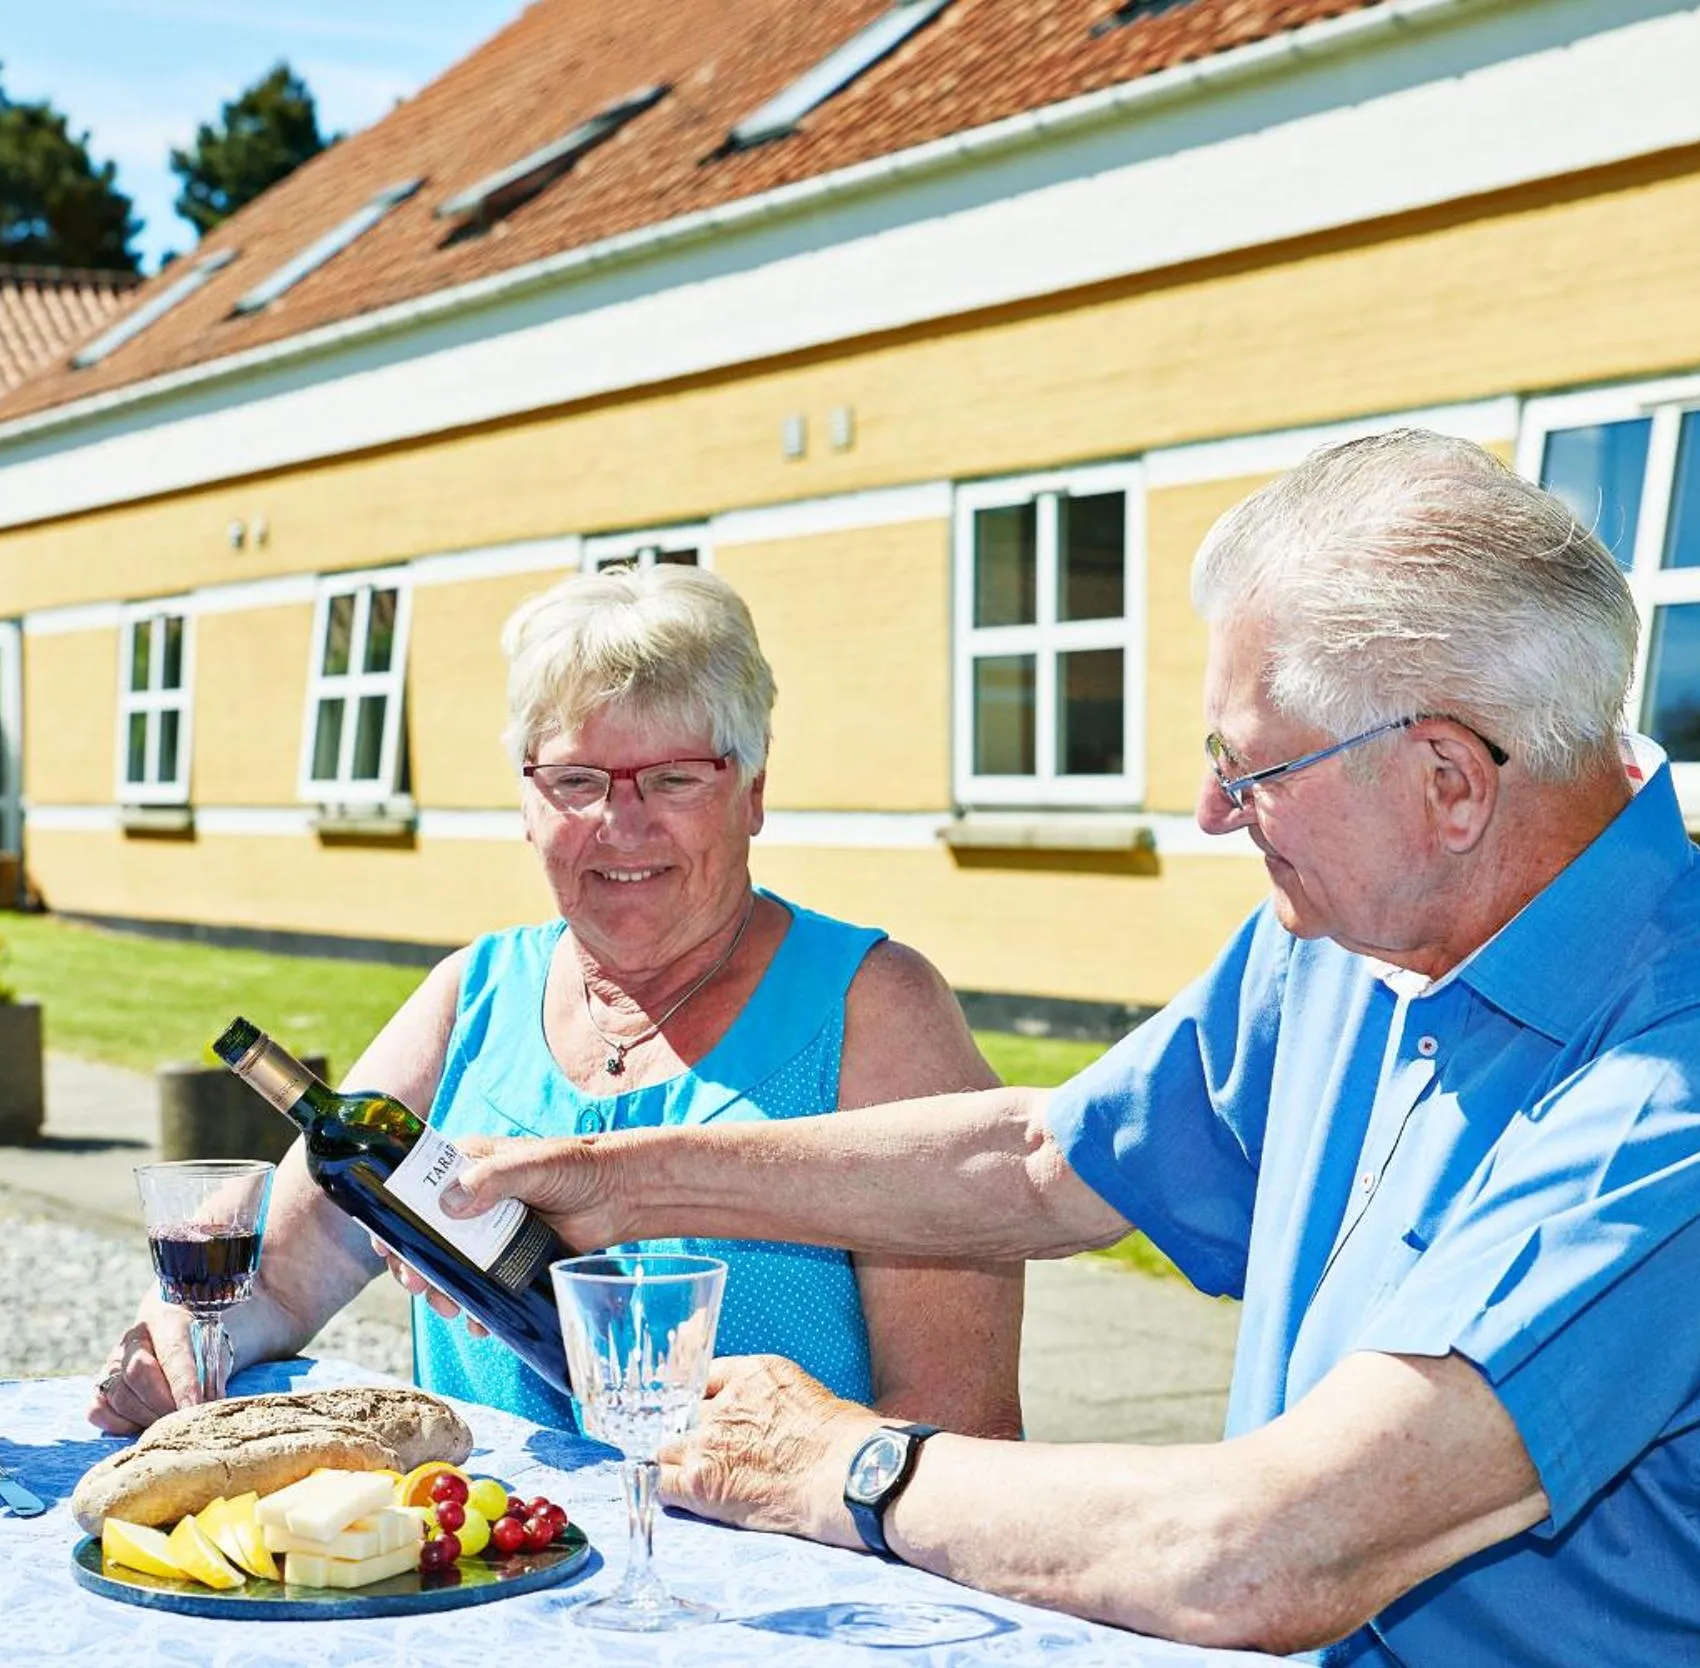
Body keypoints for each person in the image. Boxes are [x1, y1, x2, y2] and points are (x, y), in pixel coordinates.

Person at [435, 432, 1700, 1663]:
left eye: (1247, 767)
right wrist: (619, 1181)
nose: (1213, 816)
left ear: (1448, 779)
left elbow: (1272, 1552)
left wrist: (844, 1467)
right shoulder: (1346, 938)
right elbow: (1034, 1161)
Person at [89, 562, 1025, 1440]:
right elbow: (279, 1281)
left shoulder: (873, 1010)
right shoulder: (474, 995)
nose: (622, 823)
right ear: (526, 802)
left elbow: (961, 1426)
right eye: (576, 780)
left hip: (774, 1582)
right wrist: (178, 1330)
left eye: (673, 778)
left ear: (753, 790)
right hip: (494, 1566)